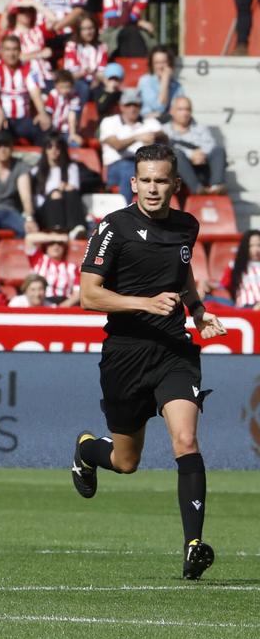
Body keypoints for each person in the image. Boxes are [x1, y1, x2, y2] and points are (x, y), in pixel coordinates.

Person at [70, 144, 225, 580]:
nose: (154, 189)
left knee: (185, 440)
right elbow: (88, 295)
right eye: (147, 181)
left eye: (162, 181)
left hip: (174, 350)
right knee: (126, 462)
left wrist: (197, 310)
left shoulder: (186, 226)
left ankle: (194, 545)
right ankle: (86, 449)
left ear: (175, 184)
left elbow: (184, 272)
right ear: (133, 183)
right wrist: (143, 302)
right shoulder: (113, 227)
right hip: (125, 354)